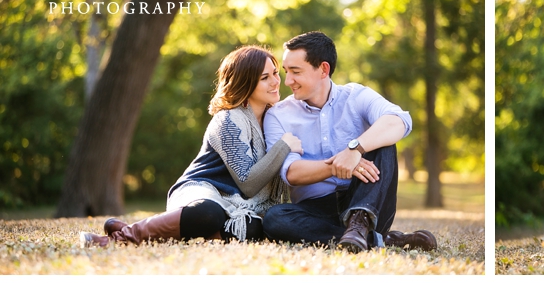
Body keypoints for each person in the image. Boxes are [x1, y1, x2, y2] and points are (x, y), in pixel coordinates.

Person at [80, 46, 303, 248]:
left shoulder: (274, 121)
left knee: (252, 228)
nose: (276, 82)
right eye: (265, 77)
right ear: (244, 82)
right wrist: (284, 146)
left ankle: (162, 227)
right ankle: (122, 237)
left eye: (275, 73)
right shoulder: (227, 120)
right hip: (201, 192)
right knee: (209, 214)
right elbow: (249, 183)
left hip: (240, 205)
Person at [259, 31, 437, 254]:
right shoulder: (278, 114)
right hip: (315, 210)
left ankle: (360, 224)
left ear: (323, 69)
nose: (287, 81)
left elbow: (399, 120)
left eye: (296, 72)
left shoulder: (356, 96)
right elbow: (291, 172)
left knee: (383, 140)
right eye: (287, 72)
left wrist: (355, 149)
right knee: (274, 219)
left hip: (367, 199)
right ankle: (378, 239)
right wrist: (339, 165)